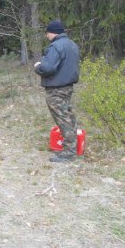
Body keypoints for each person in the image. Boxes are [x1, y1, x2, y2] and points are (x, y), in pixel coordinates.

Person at [34, 20, 80, 163]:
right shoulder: (72, 45)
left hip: (56, 89)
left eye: (47, 33)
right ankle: (73, 147)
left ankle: (69, 152)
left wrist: (38, 66)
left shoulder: (56, 46)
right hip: (67, 87)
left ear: (52, 32)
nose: (47, 36)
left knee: (63, 118)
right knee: (68, 116)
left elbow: (48, 68)